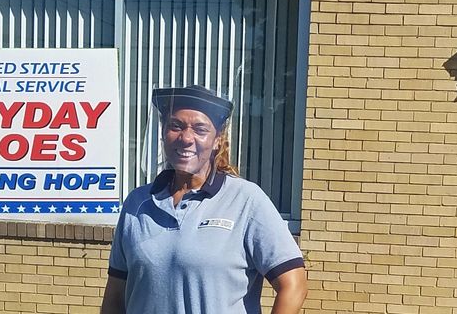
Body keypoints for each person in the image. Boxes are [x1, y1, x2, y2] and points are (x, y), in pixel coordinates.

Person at [100, 85, 307, 314]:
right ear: (163, 134)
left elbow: (294, 284)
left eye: (200, 129)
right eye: (175, 126)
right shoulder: (136, 204)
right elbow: (115, 296)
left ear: (217, 139)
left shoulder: (246, 200)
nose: (186, 138)